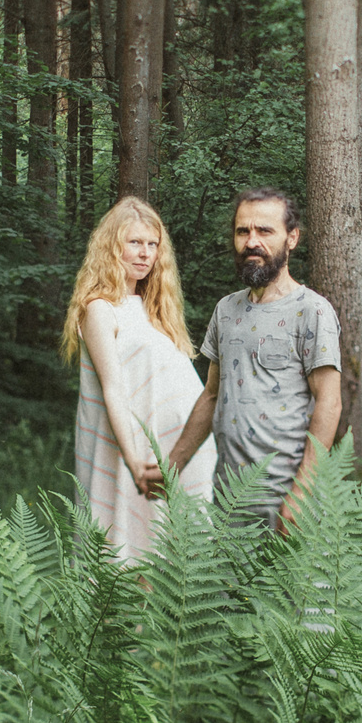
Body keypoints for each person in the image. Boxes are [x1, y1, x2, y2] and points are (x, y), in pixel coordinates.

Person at [168, 187, 342, 533]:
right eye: (242, 231)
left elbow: (330, 402)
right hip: (230, 499)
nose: (251, 242)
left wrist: (303, 491)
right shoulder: (226, 309)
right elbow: (212, 395)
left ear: (291, 238)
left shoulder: (312, 310)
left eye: (265, 231)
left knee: (294, 589)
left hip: (288, 500)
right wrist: (171, 465)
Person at [63, 196, 213, 561]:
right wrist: (134, 462)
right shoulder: (99, 309)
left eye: (152, 244)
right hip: (132, 451)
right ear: (112, 246)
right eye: (134, 242)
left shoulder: (155, 310)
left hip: (175, 452)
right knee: (127, 556)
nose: (145, 253)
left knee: (173, 564)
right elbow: (113, 389)